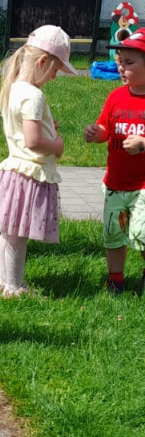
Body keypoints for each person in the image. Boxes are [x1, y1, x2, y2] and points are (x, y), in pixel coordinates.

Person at [0, 25, 75, 297]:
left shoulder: (14, 87)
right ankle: (14, 286)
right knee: (18, 235)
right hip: (31, 174)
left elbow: (25, 128)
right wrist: (57, 145)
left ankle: (4, 280)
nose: (55, 77)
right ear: (43, 61)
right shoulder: (34, 95)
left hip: (15, 170)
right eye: (56, 70)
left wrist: (47, 126)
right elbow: (34, 141)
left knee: (8, 233)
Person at [84, 29, 145, 295]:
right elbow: (105, 128)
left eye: (129, 62)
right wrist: (97, 133)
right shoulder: (116, 97)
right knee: (113, 233)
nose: (121, 67)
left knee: (141, 233)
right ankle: (115, 279)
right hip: (115, 183)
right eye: (120, 61)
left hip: (143, 185)